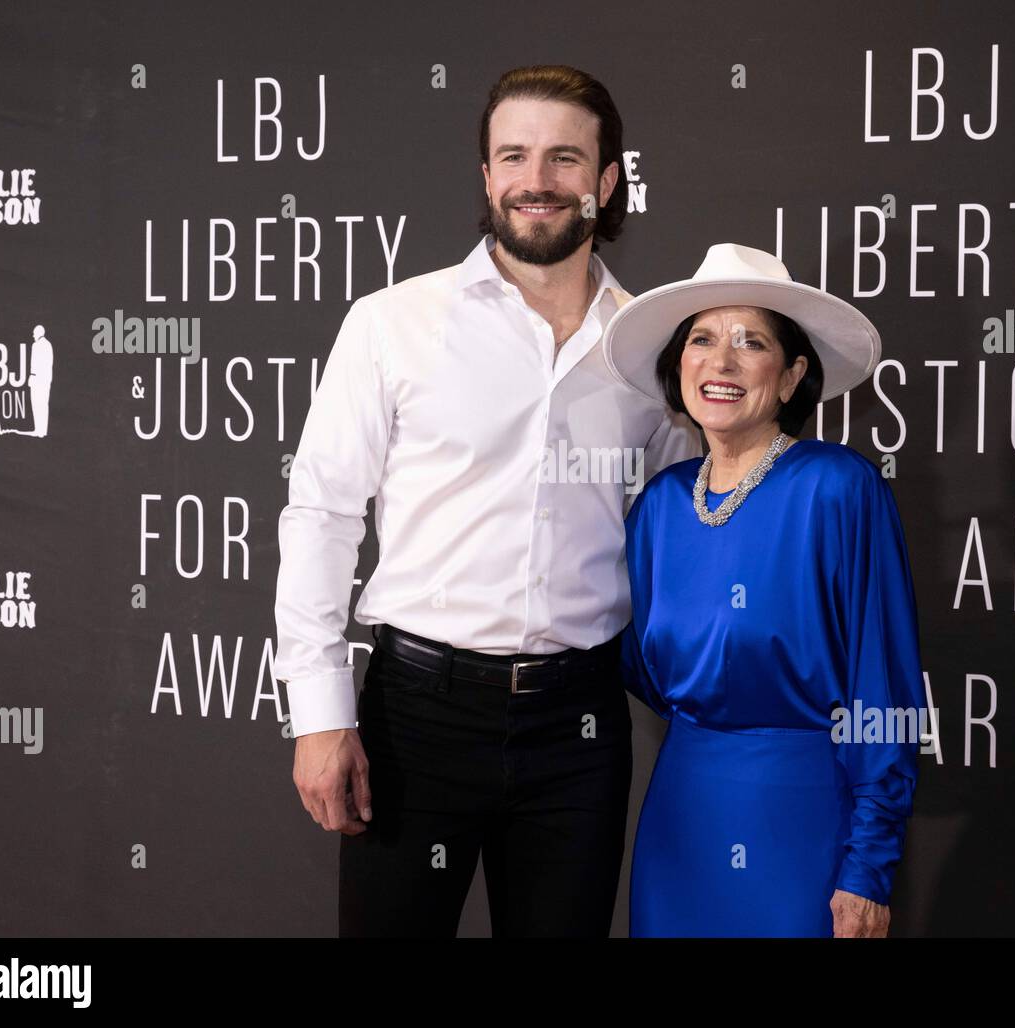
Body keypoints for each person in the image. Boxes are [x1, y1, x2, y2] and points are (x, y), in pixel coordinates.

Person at [273, 65, 701, 937]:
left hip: (579, 726)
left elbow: (683, 525)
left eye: (564, 158)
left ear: (607, 181)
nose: (536, 181)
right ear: (486, 177)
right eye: (513, 156)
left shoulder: (649, 349)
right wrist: (319, 716)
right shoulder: (393, 323)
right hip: (416, 717)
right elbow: (321, 515)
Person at [601, 243, 926, 937]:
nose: (720, 362)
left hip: (803, 817)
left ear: (790, 376)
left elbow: (884, 688)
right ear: (678, 367)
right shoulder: (657, 507)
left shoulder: (839, 488)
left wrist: (867, 863)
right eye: (702, 340)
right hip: (680, 818)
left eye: (751, 343)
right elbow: (639, 665)